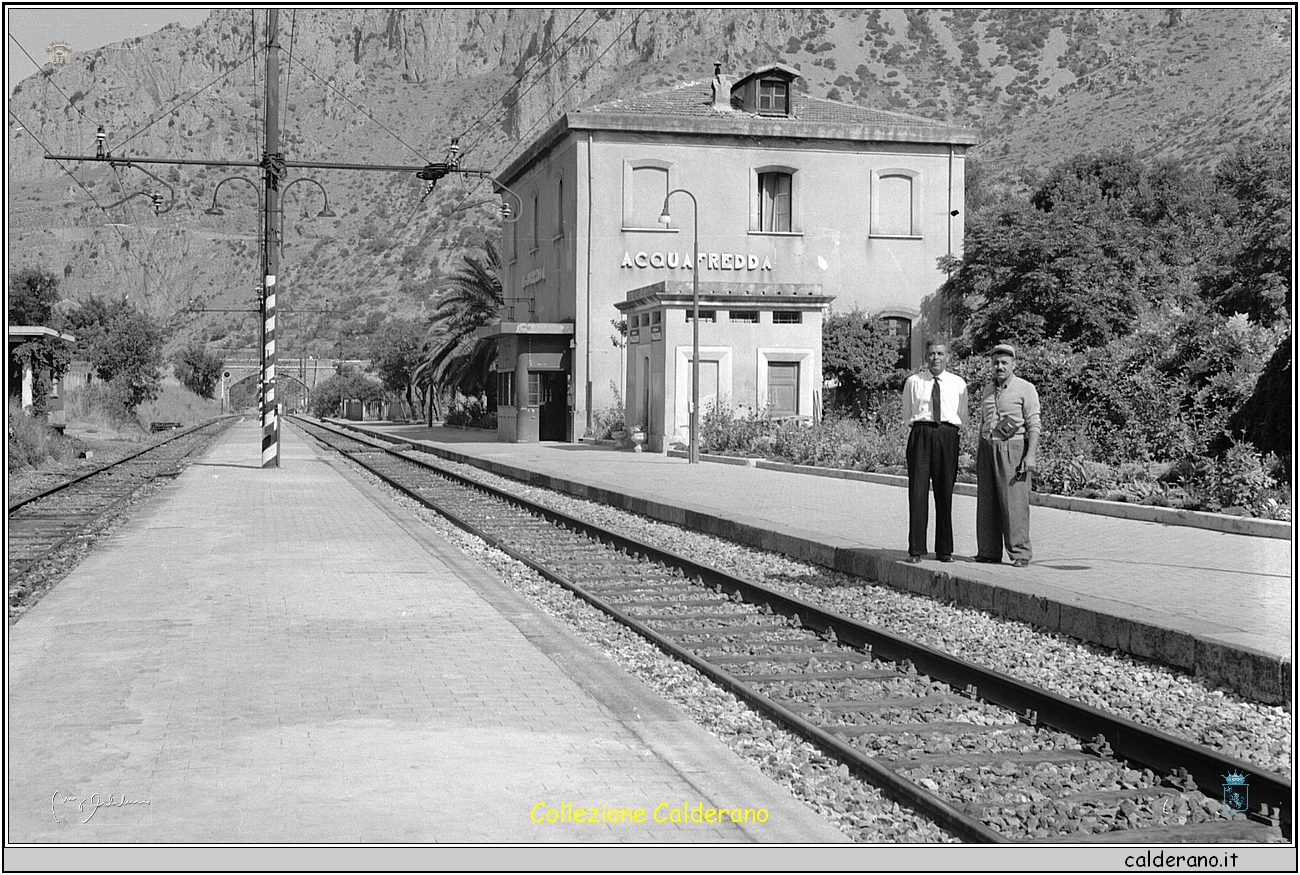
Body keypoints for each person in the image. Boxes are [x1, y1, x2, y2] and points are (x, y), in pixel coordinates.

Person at [975, 343, 1041, 567]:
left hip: (1013, 448)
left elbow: (1034, 424)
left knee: (1014, 504)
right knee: (987, 503)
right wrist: (979, 451)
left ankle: (1020, 552)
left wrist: (1029, 456)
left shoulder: (1025, 388)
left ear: (1014, 364)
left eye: (1004, 362)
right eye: (995, 362)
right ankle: (988, 551)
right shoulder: (987, 389)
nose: (999, 366)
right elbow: (983, 422)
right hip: (988, 447)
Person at [901, 340, 967, 563]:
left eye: (940, 353)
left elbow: (962, 414)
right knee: (918, 492)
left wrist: (949, 434)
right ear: (926, 357)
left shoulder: (958, 383)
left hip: (947, 435)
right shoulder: (914, 382)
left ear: (948, 357)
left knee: (944, 492)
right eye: (931, 354)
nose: (935, 358)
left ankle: (944, 550)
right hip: (921, 433)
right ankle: (916, 549)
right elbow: (907, 412)